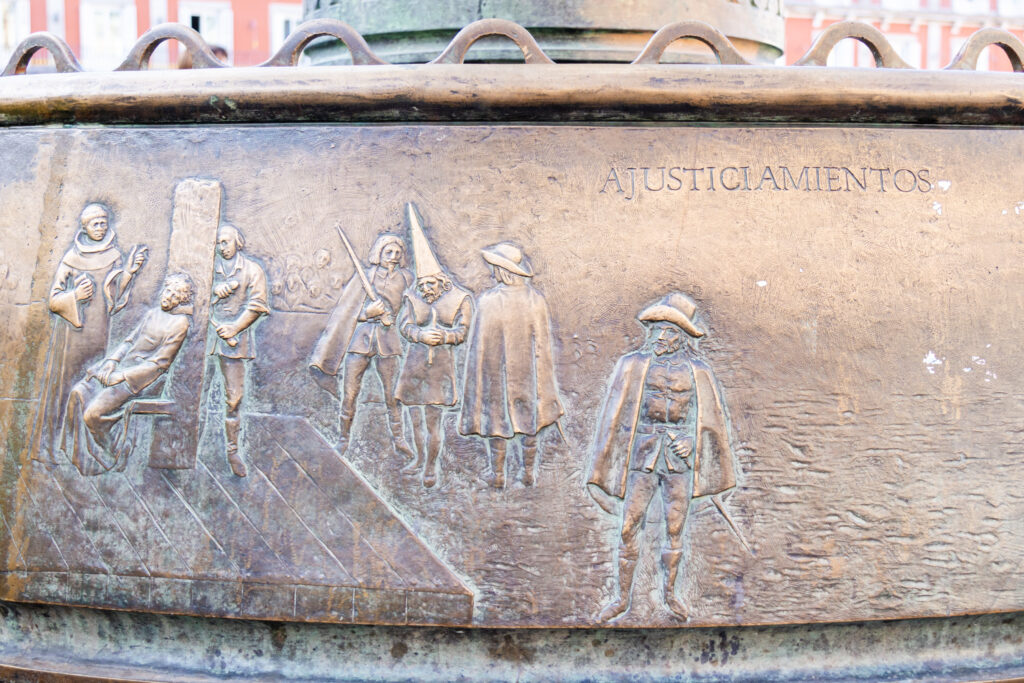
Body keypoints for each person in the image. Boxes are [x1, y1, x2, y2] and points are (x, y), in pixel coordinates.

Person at [586, 293, 737, 622]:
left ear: (681, 337)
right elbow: (615, 415)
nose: (657, 337)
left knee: (674, 528)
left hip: (678, 459)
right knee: (628, 526)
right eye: (655, 329)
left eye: (666, 331)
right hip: (643, 451)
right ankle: (621, 598)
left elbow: (710, 422)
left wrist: (692, 443)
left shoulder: (699, 372)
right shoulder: (633, 365)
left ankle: (670, 595)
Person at [27, 203, 147, 466]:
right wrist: (75, 296)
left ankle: (82, 448)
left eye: (104, 223)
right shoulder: (71, 258)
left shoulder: (114, 254)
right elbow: (53, 300)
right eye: (95, 223)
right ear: (84, 227)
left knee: (92, 386)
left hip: (99, 331)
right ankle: (53, 448)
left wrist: (129, 271)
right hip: (71, 337)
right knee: (64, 387)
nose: (101, 227)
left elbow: (114, 293)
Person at [62, 273, 194, 475]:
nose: (168, 297)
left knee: (92, 415)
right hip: (120, 368)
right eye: (168, 291)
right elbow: (128, 342)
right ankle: (81, 456)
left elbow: (160, 363)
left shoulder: (180, 323)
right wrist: (111, 363)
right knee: (78, 392)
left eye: (175, 296)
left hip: (138, 380)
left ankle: (112, 451)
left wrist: (122, 376)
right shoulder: (152, 313)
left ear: (180, 301)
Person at [458, 243, 563, 488]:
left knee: (497, 421)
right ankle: (528, 471)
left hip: (495, 376)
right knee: (530, 420)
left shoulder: (488, 301)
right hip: (530, 375)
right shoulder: (536, 300)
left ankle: (498, 474)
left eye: (494, 267)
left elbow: (478, 348)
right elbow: (543, 345)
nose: (492, 272)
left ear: (502, 270)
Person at [310, 233, 415, 459]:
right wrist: (368, 314)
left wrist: (393, 319)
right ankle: (343, 439)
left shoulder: (407, 279)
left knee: (392, 395)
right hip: (360, 342)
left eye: (398, 253)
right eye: (389, 252)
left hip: (389, 342)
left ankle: (399, 439)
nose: (394, 257)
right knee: (349, 394)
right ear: (379, 253)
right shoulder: (364, 276)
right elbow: (345, 313)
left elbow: (413, 309)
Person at [395, 205, 472, 487]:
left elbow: (463, 331)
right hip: (414, 365)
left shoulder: (460, 300)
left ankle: (430, 466)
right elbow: (404, 326)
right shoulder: (412, 299)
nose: (426, 290)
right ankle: (417, 457)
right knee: (413, 418)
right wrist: (418, 335)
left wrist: (446, 337)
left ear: (443, 282)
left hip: (439, 369)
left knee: (432, 421)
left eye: (430, 285)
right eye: (422, 285)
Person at [209, 224, 270, 477]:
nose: (222, 247)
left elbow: (257, 305)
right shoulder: (207, 268)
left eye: (226, 242)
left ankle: (232, 451)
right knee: (192, 393)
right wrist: (212, 292)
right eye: (218, 243)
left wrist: (235, 328)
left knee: (234, 399)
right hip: (202, 339)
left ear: (238, 242)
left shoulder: (252, 270)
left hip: (235, 340)